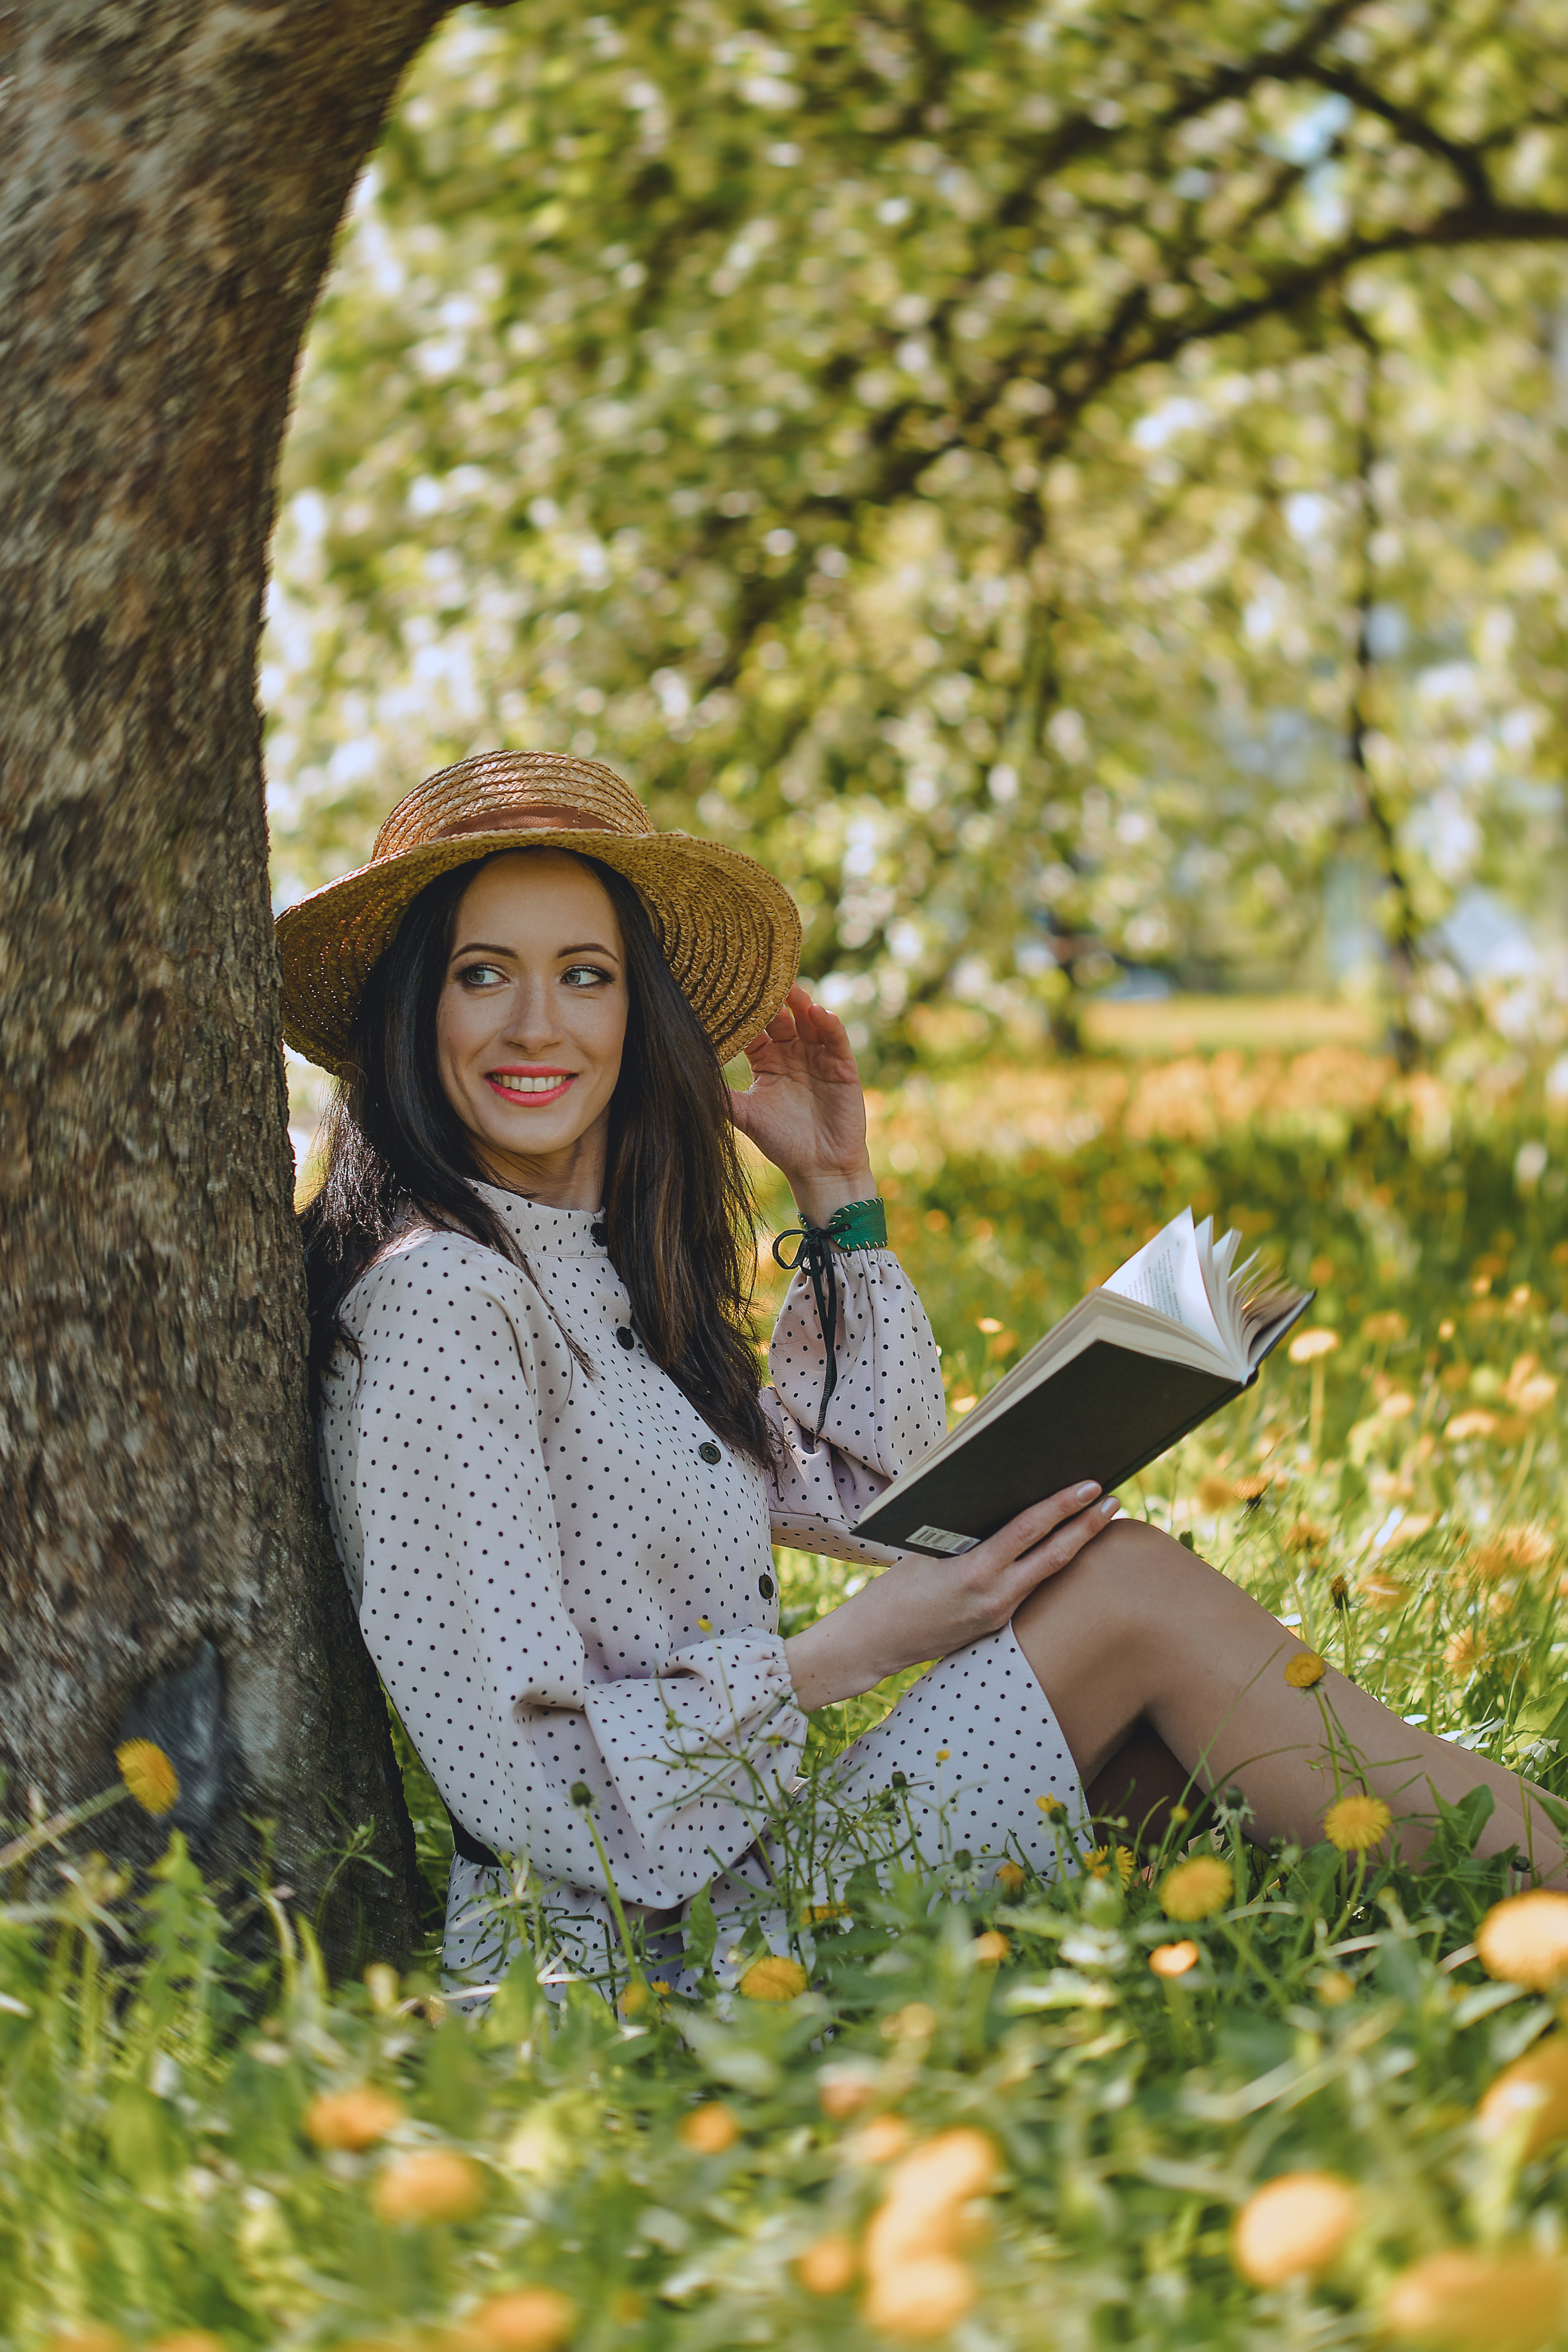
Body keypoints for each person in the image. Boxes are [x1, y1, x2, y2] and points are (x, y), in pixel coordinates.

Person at [278, 750, 1561, 1988]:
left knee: (1176, 1748)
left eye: (586, 974)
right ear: (413, 1007)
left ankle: (1501, 1907)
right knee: (1124, 1599)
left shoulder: (593, 1261)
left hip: (754, 1871)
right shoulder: (443, 1300)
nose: (537, 1023)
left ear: (638, 1012)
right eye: (482, 973)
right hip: (649, 1962)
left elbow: (865, 1503)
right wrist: (840, 1655)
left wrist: (835, 1189)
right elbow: (524, 1776)